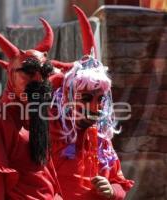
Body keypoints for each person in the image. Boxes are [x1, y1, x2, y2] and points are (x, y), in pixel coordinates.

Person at [49, 6, 134, 200]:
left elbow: (119, 183)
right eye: (86, 98)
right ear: (68, 99)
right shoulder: (48, 135)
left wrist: (111, 190)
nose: (96, 108)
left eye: (100, 99)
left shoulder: (103, 141)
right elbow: (34, 182)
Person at [0, 18, 62, 199]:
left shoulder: (37, 116)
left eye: (45, 73)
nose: (39, 80)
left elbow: (48, 175)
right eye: (29, 72)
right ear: (11, 75)